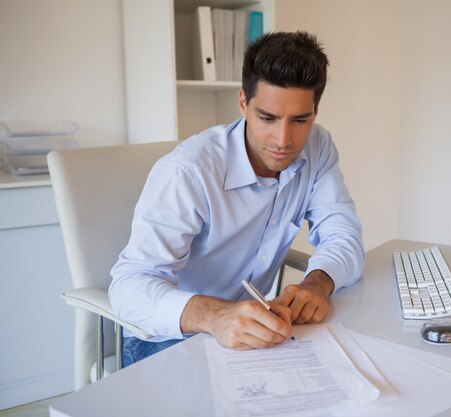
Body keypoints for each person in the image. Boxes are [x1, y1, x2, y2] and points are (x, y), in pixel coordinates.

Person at [109, 31, 364, 367]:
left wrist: (319, 282)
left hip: (248, 334)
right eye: (267, 118)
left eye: (300, 120)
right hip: (166, 339)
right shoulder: (188, 172)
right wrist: (216, 316)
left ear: (315, 111)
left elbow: (343, 233)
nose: (283, 140)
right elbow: (129, 288)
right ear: (243, 102)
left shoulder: (319, 147)